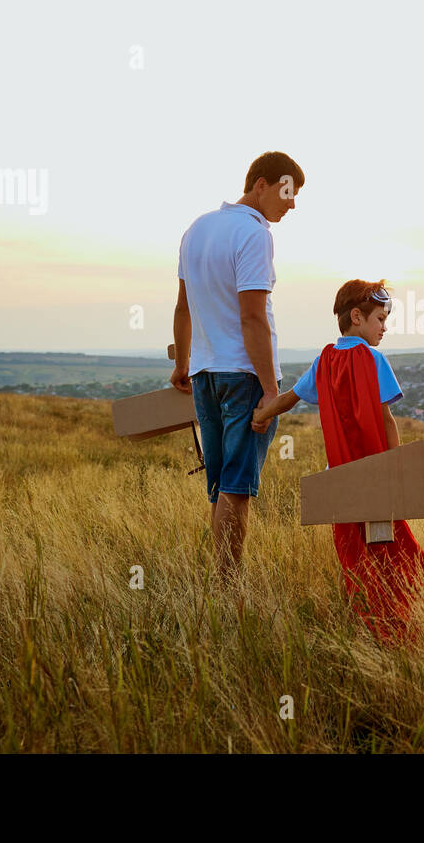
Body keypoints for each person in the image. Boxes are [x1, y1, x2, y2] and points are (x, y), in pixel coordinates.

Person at [252, 280, 424, 644]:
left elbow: (289, 399)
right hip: (377, 479)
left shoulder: (324, 361)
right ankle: (401, 630)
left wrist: (261, 416)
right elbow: (386, 420)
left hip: (340, 484)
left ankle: (367, 631)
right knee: (400, 557)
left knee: (355, 561)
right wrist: (396, 466)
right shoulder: (374, 359)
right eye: (381, 319)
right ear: (357, 317)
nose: (385, 327)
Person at [170, 151, 304, 584]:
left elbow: (183, 308)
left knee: (221, 484)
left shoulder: (196, 229)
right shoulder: (253, 233)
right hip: (244, 376)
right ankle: (228, 586)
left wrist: (184, 364)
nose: (292, 203)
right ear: (260, 184)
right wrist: (270, 390)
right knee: (237, 488)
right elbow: (252, 316)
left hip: (206, 374)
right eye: (288, 191)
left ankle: (220, 581)